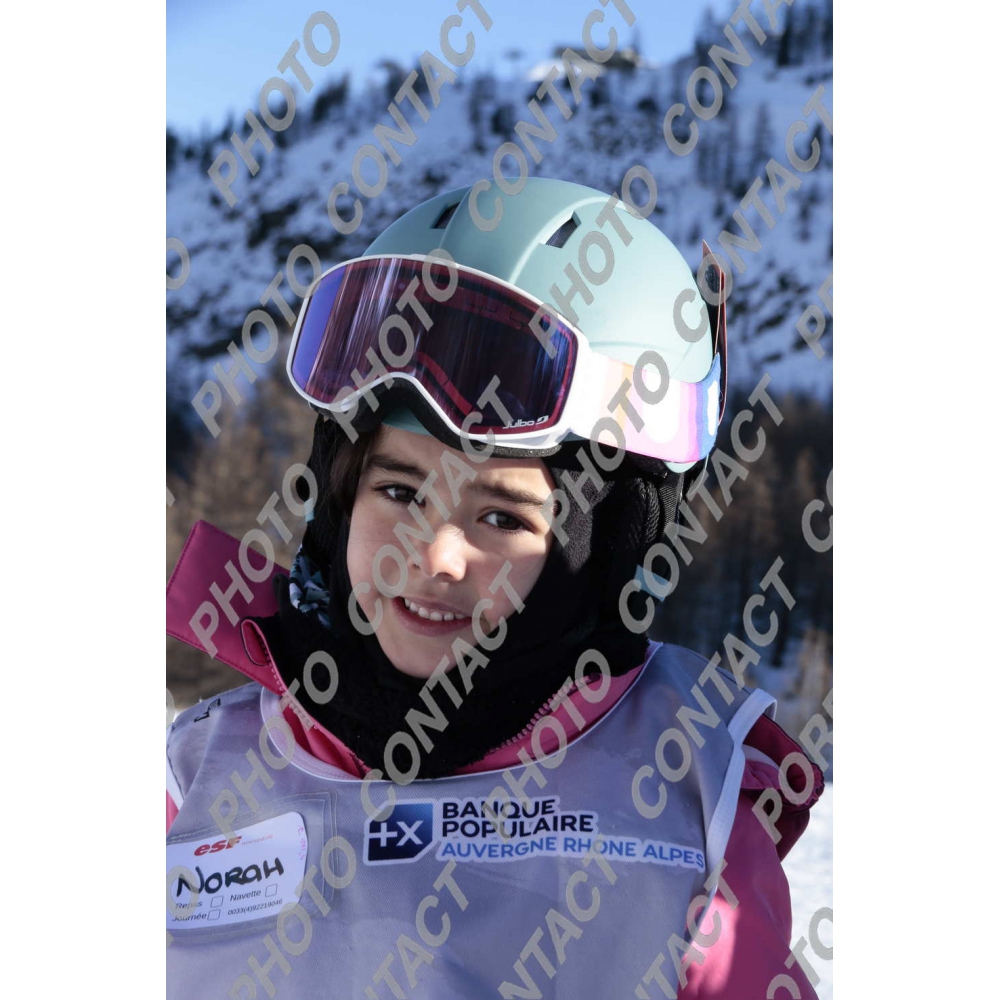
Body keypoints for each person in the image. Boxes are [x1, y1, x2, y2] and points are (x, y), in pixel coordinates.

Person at [166, 177, 824, 999]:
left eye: (503, 517)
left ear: (606, 547)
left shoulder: (684, 792)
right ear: (339, 499)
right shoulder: (199, 773)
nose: (436, 554)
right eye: (398, 491)